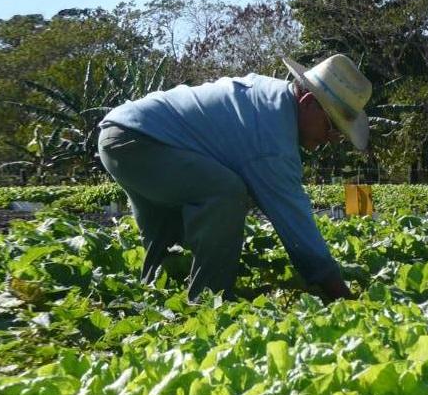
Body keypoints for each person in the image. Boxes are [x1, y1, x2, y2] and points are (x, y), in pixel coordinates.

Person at [97, 54, 372, 302]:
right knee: (225, 192)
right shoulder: (272, 139)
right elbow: (295, 225)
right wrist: (342, 297)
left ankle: (156, 300)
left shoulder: (271, 97)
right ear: (309, 103)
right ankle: (210, 304)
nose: (331, 138)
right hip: (139, 142)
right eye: (332, 125)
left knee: (165, 235)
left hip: (128, 135)